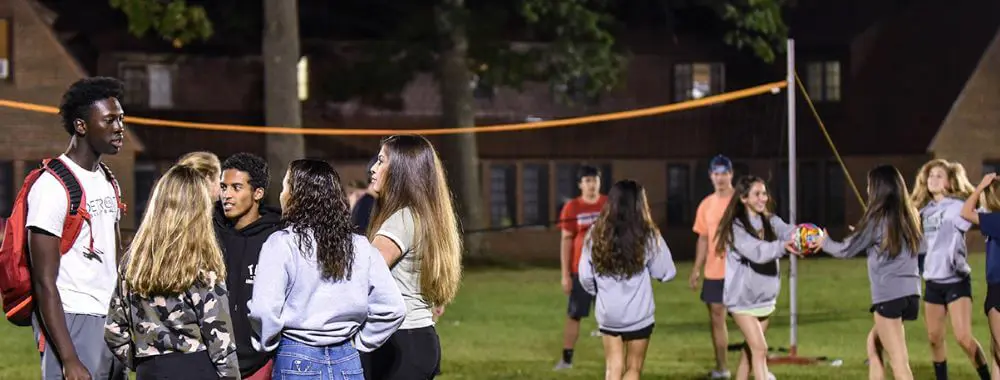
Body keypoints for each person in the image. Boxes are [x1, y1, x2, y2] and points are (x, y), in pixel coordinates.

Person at [249, 159, 407, 380]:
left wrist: (268, 342)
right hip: (347, 359)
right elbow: (393, 307)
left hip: (296, 357)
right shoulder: (359, 245)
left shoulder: (282, 243)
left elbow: (264, 309)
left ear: (297, 195)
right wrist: (359, 342)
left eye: (286, 186)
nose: (281, 194)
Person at [28, 77, 128, 380]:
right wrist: (69, 359)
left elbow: (114, 254)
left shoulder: (108, 180)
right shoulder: (51, 186)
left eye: (121, 118)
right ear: (81, 126)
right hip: (74, 317)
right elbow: (44, 281)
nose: (119, 127)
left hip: (110, 318)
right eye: (109, 120)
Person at [104, 164, 239, 379]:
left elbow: (113, 330)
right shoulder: (203, 265)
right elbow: (221, 342)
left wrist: (140, 362)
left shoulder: (133, 262)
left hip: (149, 369)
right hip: (196, 368)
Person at [362, 135, 463, 380]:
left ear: (401, 171)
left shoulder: (401, 220)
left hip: (399, 342)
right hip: (419, 338)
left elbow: (362, 275)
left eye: (381, 161)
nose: (373, 169)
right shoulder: (424, 216)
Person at [821, 165, 923, 380]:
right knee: (873, 346)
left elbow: (845, 250)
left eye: (869, 185)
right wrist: (864, 237)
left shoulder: (876, 219)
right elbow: (918, 247)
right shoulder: (910, 214)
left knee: (899, 361)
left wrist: (824, 242)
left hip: (889, 296)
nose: (867, 189)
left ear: (878, 189)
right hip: (911, 295)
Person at [578, 179, 677, 380]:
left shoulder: (595, 233)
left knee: (612, 367)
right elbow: (666, 272)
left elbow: (585, 276)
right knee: (633, 368)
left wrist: (598, 291)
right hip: (638, 315)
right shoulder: (648, 235)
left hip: (609, 314)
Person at [714, 175, 800, 380]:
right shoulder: (736, 228)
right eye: (757, 194)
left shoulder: (770, 220)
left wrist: (805, 235)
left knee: (748, 355)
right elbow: (757, 252)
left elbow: (788, 231)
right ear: (743, 198)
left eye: (764, 193)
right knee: (760, 350)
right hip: (742, 301)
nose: (763, 198)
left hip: (764, 300)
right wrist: (782, 246)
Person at [910, 159, 990, 380]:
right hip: (933, 283)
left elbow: (983, 212)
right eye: (930, 176)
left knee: (963, 337)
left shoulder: (956, 208)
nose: (933, 179)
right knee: (934, 338)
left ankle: (987, 376)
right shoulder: (922, 211)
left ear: (949, 182)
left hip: (956, 280)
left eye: (939, 175)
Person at [214, 153, 282, 379]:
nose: (227, 195)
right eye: (224, 187)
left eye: (236, 187)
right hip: (214, 359)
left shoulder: (276, 238)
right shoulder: (209, 232)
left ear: (258, 193)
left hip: (260, 362)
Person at [554, 165, 608, 370]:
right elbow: (566, 241)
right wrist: (565, 275)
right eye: (587, 181)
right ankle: (567, 359)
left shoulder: (608, 205)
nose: (591, 184)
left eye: (594, 180)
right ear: (580, 185)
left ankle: (614, 361)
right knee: (575, 315)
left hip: (606, 271)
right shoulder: (572, 208)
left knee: (611, 318)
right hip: (580, 271)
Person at [689, 154, 736, 379]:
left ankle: (757, 367)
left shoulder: (741, 201)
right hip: (714, 272)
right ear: (710, 176)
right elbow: (703, 238)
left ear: (731, 174)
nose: (720, 178)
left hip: (740, 271)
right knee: (717, 318)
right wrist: (696, 268)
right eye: (716, 174)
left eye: (724, 173)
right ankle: (723, 368)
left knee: (748, 320)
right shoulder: (706, 205)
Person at [961, 172, 1000, 378]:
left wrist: (980, 186)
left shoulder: (996, 220)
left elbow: (966, 212)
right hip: (995, 287)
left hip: (998, 289)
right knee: (996, 353)